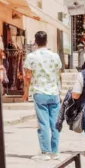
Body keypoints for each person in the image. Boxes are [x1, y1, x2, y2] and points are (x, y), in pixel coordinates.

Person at [23, 30, 63, 161]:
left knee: (43, 123)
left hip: (39, 92)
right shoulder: (55, 56)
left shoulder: (31, 57)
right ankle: (55, 151)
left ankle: (45, 152)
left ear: (35, 41)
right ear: (47, 41)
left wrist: (25, 92)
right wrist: (59, 90)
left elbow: (27, 76)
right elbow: (59, 74)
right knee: (54, 123)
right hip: (54, 92)